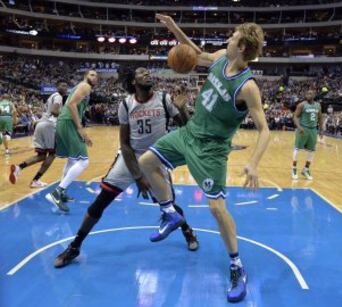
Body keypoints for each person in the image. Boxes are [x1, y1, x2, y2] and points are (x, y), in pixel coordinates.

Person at [138, 14, 270, 303]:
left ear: (244, 47)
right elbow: (198, 55)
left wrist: (254, 163)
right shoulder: (222, 57)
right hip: (190, 132)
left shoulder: (248, 87)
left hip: (211, 148)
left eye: (234, 37)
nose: (228, 38)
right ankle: (170, 212)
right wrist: (175, 30)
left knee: (217, 209)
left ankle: (237, 266)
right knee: (147, 161)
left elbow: (264, 130)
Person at [53, 67, 198, 268]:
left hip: (155, 157)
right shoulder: (126, 104)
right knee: (99, 203)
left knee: (169, 206)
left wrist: (182, 109)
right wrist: (138, 177)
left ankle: (187, 230)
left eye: (148, 72)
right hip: (130, 157)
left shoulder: (164, 99)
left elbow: (187, 129)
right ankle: (74, 247)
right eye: (141, 72)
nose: (147, 74)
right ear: (132, 82)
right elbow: (125, 144)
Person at [45, 70, 98, 212]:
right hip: (69, 122)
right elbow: (72, 105)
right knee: (83, 161)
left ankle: (61, 192)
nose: (95, 77)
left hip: (64, 122)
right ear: (85, 76)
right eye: (92, 74)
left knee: (72, 160)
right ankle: (56, 192)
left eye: (96, 75)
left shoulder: (82, 87)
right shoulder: (85, 86)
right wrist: (80, 129)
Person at [9, 80, 68, 188]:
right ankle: (35, 180)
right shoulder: (58, 96)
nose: (65, 88)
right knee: (53, 154)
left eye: (66, 86)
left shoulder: (51, 96)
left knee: (41, 156)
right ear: (57, 87)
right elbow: (55, 111)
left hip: (40, 125)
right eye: (62, 85)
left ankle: (19, 167)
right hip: (49, 126)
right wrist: (66, 114)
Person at [292, 89, 323, 180]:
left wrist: (321, 130)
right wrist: (299, 126)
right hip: (303, 129)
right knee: (297, 149)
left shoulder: (318, 105)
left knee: (312, 151)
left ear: (314, 95)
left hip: (313, 130)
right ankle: (294, 169)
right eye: (307, 93)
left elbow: (320, 118)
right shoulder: (301, 105)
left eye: (311, 93)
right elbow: (295, 116)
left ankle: (306, 169)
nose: (309, 95)